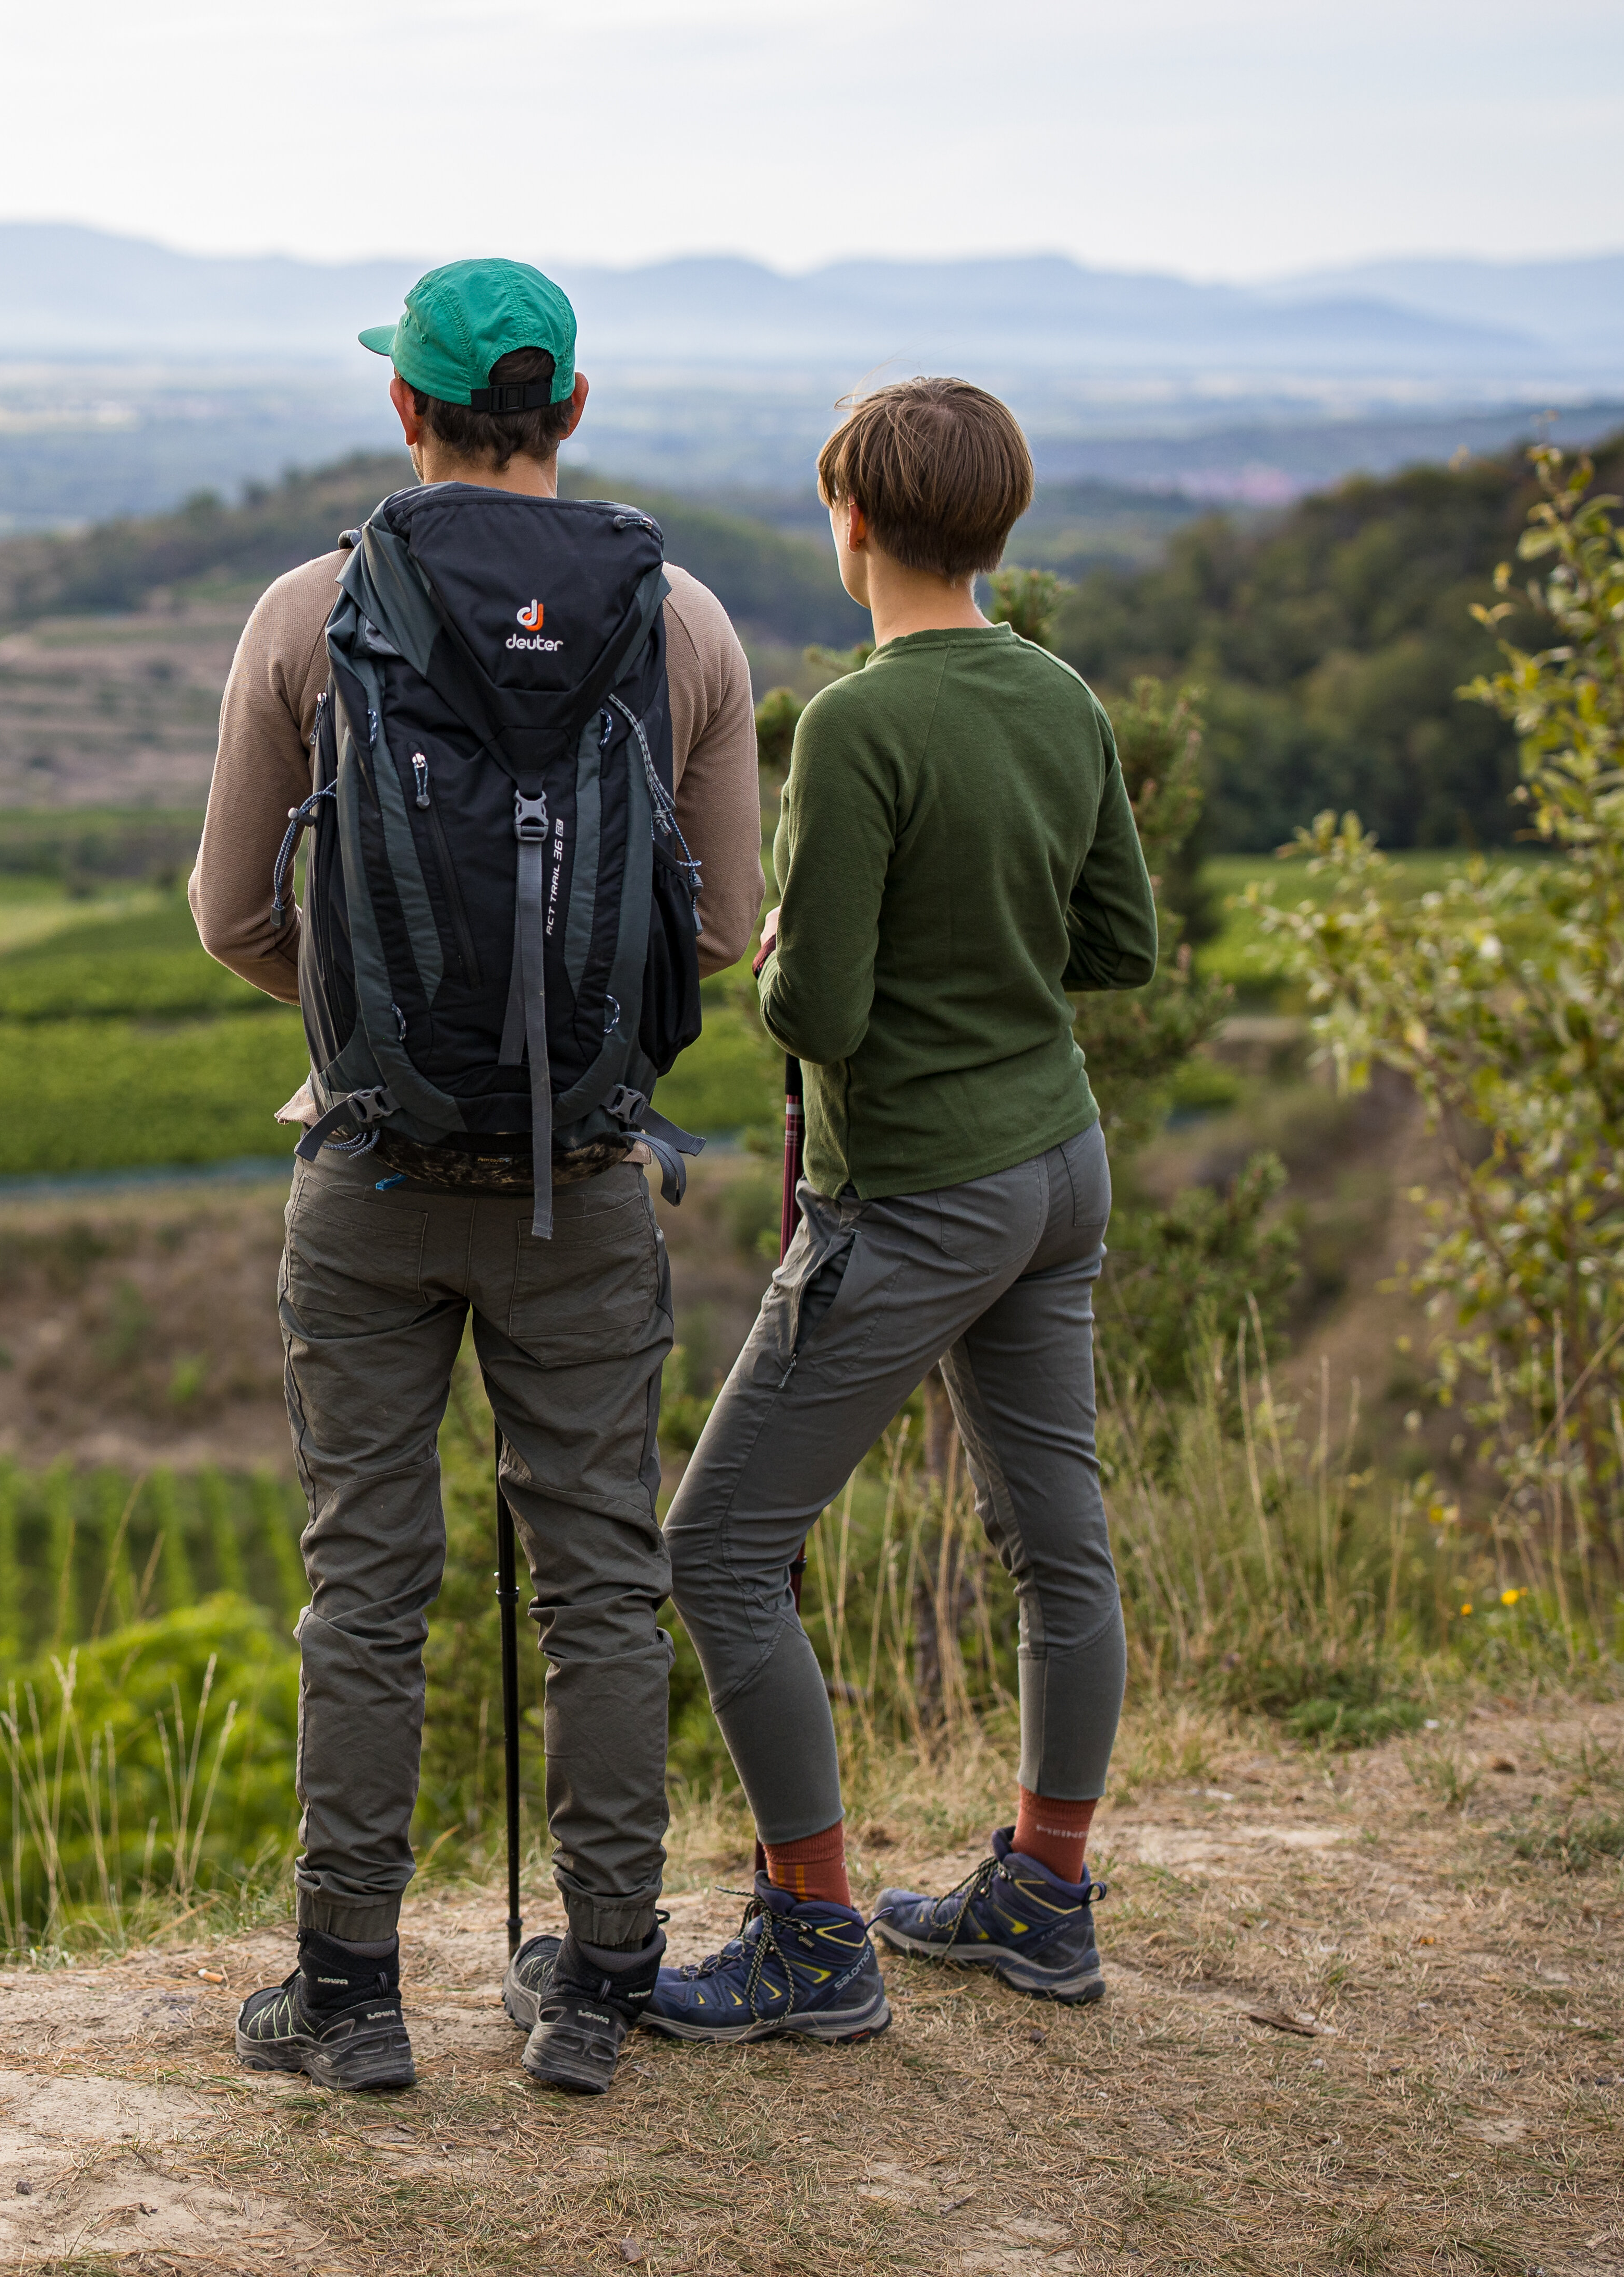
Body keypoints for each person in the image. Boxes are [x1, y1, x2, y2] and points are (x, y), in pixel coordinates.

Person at [190, 257, 761, 2094]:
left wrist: (375, 1023)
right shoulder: (684, 624)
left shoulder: (310, 607)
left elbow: (228, 916)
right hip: (587, 1176)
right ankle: (597, 1986)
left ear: (404, 411)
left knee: (365, 1580)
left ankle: (347, 1996)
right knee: (599, 1573)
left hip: (361, 1170)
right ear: (572, 411)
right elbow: (729, 929)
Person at [649, 378, 1157, 2044]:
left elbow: (823, 1021)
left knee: (718, 1552)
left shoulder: (858, 723)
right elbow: (1114, 948)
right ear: (993, 528)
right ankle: (1045, 1897)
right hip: (1056, 1169)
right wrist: (986, 955)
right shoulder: (1062, 698)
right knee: (1055, 1549)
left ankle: (810, 1934)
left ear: (850, 522)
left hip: (921, 1194)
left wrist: (783, 955)